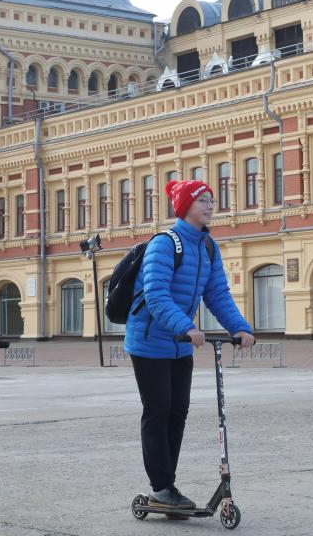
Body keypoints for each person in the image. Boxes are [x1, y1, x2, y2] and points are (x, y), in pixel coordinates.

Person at [126, 179, 255, 515]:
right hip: (150, 341)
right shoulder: (165, 244)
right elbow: (156, 295)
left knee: (177, 413)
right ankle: (161, 488)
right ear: (185, 207)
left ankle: (166, 486)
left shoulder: (208, 247)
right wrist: (186, 326)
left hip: (181, 345)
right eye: (203, 201)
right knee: (158, 411)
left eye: (212, 200)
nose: (210, 206)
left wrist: (239, 328)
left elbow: (218, 295)